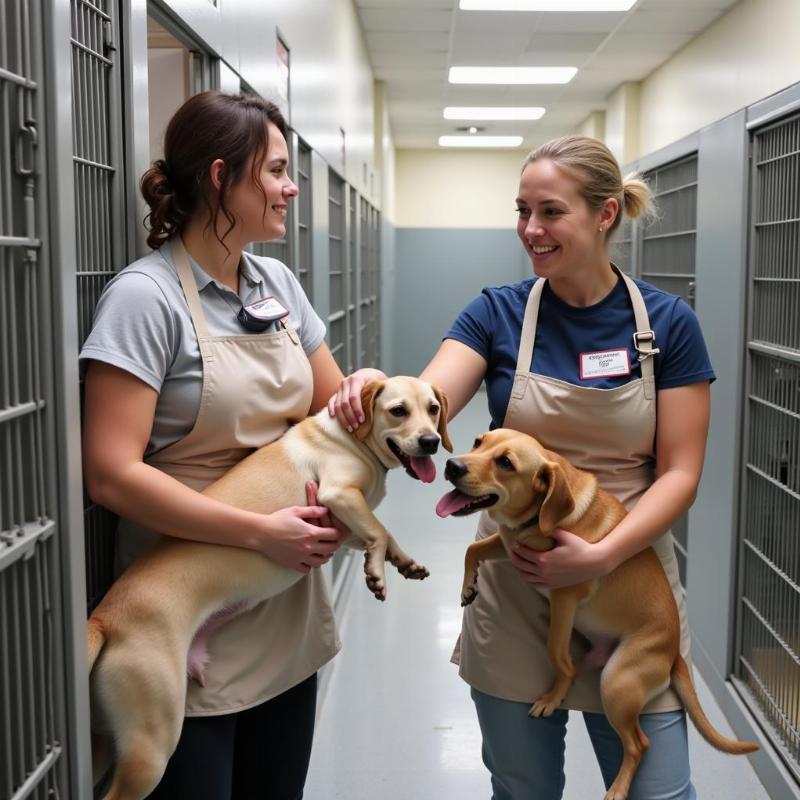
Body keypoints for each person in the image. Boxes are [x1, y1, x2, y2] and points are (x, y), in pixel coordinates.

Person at [331, 135, 714, 799]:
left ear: (604, 215)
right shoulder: (497, 314)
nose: (530, 230)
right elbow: (429, 401)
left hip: (627, 586)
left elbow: (680, 472)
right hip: (513, 593)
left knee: (663, 791)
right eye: (521, 210)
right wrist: (378, 388)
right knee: (523, 788)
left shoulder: (668, 327)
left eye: (551, 212)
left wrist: (601, 556)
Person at [80, 91, 368, 799]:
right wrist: (256, 531)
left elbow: (334, 408)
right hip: (181, 610)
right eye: (274, 170)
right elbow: (111, 475)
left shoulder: (278, 282)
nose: (291, 186)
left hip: (282, 606)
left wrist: (366, 386)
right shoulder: (145, 300)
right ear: (219, 177)